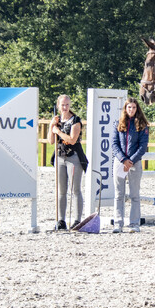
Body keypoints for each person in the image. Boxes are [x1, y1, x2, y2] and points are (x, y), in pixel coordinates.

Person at [48, 94, 88, 230]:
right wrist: (52, 126)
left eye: (67, 105)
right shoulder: (57, 120)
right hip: (60, 156)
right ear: (58, 105)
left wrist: (58, 131)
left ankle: (77, 220)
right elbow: (51, 141)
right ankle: (61, 220)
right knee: (61, 191)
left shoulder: (75, 120)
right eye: (62, 105)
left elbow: (72, 139)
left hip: (74, 157)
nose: (65, 107)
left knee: (75, 189)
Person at [111, 97, 149, 233]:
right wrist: (123, 159)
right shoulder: (118, 123)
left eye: (133, 107)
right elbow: (114, 144)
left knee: (134, 195)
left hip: (135, 162)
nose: (131, 110)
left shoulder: (142, 125)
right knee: (119, 194)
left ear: (137, 109)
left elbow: (143, 146)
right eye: (129, 107)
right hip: (120, 161)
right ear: (125, 109)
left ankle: (134, 223)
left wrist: (131, 161)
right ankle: (118, 222)